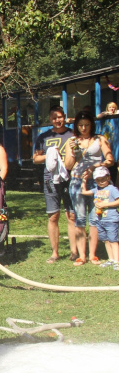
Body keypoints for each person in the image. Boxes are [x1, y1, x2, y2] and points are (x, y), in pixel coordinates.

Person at [64, 111, 114, 265]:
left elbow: (110, 159)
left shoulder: (99, 139)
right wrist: (72, 151)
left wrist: (96, 166)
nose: (84, 128)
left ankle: (92, 254)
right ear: (76, 126)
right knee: (79, 218)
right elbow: (68, 166)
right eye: (80, 125)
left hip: (97, 184)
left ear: (91, 125)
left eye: (86, 125)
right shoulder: (71, 141)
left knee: (95, 218)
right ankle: (81, 255)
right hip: (77, 182)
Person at [32, 106, 77, 264]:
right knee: (53, 216)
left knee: (71, 215)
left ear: (64, 117)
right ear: (50, 119)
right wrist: (50, 154)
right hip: (50, 179)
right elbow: (35, 159)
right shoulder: (43, 137)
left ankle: (74, 252)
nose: (58, 120)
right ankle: (55, 253)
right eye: (54, 118)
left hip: (71, 178)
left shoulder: (73, 134)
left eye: (60, 117)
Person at [80, 166, 119, 269]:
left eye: (103, 179)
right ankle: (111, 259)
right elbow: (84, 192)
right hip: (100, 220)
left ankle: (117, 261)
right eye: (98, 180)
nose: (101, 182)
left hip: (111, 219)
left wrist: (105, 205)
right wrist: (84, 180)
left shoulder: (112, 189)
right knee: (106, 240)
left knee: (113, 241)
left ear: (108, 177)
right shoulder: (96, 189)